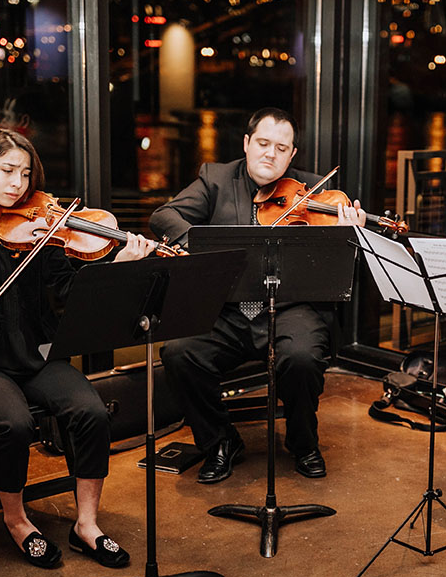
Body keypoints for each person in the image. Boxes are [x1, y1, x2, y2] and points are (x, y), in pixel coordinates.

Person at [0, 125, 156, 569]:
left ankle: (87, 526)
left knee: (91, 410)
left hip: (34, 359)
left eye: (25, 173)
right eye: (7, 171)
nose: (18, 184)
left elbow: (73, 290)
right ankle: (17, 521)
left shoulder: (43, 227)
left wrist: (120, 266)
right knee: (14, 423)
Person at [150, 108, 365, 483]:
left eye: (281, 148)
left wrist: (349, 237)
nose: (270, 154)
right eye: (263, 143)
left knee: (301, 356)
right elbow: (164, 217)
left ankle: (302, 442)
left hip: (287, 307)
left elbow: (334, 270)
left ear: (292, 154)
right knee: (179, 353)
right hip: (226, 309)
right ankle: (219, 441)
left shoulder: (315, 193)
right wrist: (204, 253)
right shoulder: (214, 179)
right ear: (247, 144)